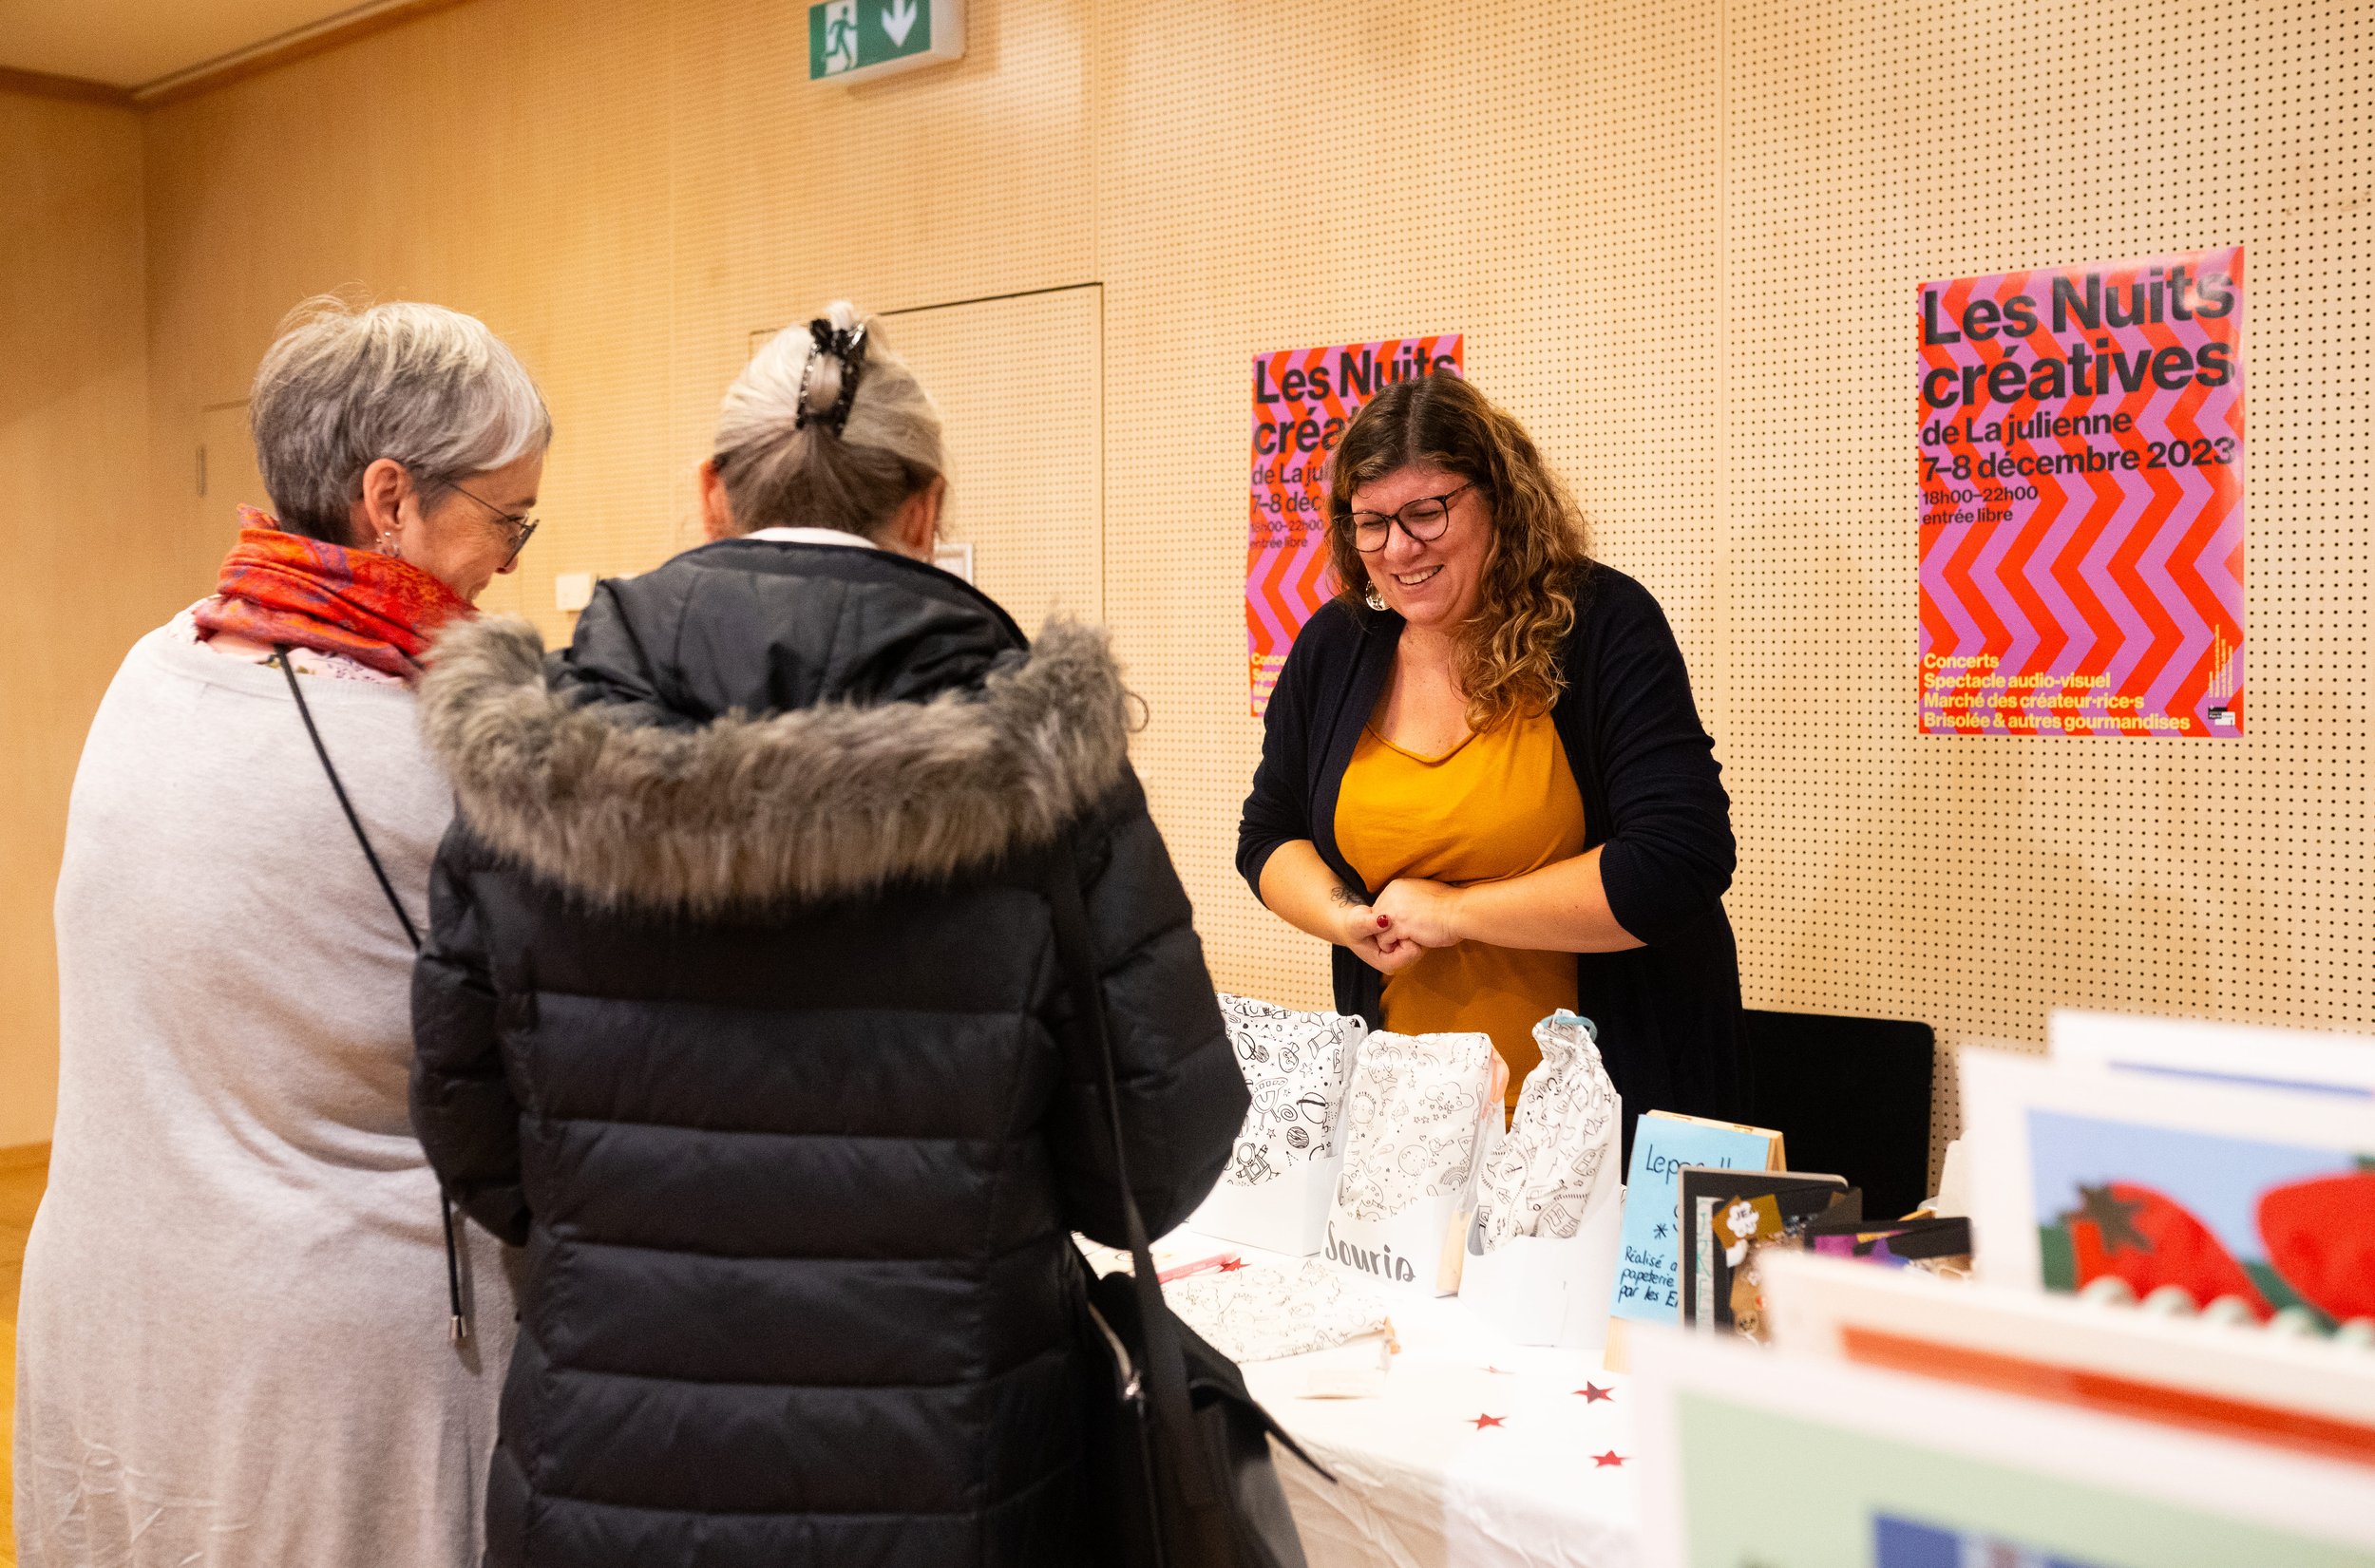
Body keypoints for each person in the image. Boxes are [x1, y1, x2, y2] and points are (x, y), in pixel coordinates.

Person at [408, 304, 1246, 1568]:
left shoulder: (532, 754)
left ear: (712, 493)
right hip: (951, 1474)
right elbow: (1159, 1148)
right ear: (926, 509)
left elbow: (467, 1126)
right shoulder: (1051, 773)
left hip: (608, 1466)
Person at [15, 297, 549, 1566]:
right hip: (336, 1382)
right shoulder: (442, 753)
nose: (515, 560)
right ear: (389, 497)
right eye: (510, 518)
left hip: (117, 1317)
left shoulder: (155, 666)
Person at [1238, 370, 1743, 1131]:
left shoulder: (1602, 623)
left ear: (1499, 499)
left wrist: (1455, 912)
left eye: (1426, 513)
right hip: (1412, 1129)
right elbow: (1268, 834)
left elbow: (1677, 861)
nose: (1398, 547)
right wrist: (1348, 919)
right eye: (1370, 522)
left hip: (1602, 1126)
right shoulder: (1336, 646)